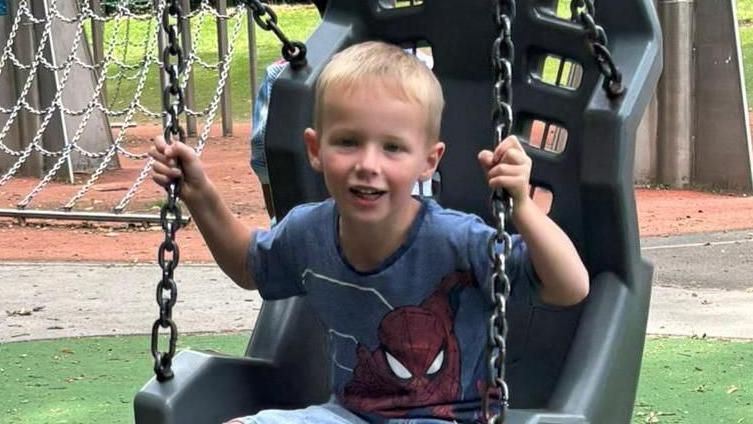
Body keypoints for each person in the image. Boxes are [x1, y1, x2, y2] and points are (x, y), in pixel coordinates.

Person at [150, 41, 589, 423]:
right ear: (315, 149)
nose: (368, 163)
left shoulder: (456, 240)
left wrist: (525, 210)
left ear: (428, 161)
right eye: (348, 142)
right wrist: (200, 194)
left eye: (393, 147)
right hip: (347, 416)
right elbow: (250, 266)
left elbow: (570, 287)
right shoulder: (308, 230)